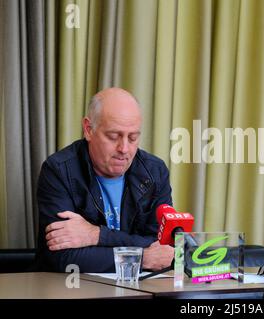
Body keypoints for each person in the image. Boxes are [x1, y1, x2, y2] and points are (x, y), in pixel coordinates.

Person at [35, 87, 174, 272]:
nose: (124, 148)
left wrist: (97, 235)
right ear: (88, 129)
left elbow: (164, 246)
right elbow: (63, 256)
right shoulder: (58, 170)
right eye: (113, 136)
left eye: (133, 138)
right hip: (73, 289)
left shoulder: (155, 171)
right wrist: (140, 258)